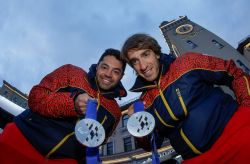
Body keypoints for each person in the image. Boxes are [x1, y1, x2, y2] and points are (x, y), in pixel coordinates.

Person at [121, 33, 250, 163]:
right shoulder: (143, 103)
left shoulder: (187, 62)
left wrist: (247, 107)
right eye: (135, 61)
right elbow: (152, 144)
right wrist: (136, 122)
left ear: (156, 53)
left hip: (236, 138)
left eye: (145, 54)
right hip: (197, 159)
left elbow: (233, 72)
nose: (143, 66)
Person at [0, 48, 127, 163]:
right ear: (98, 66)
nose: (108, 74)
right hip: (20, 141)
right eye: (104, 67)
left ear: (121, 76)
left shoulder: (115, 113)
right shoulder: (71, 72)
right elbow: (36, 98)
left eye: (116, 71)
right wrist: (72, 102)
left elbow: (97, 142)